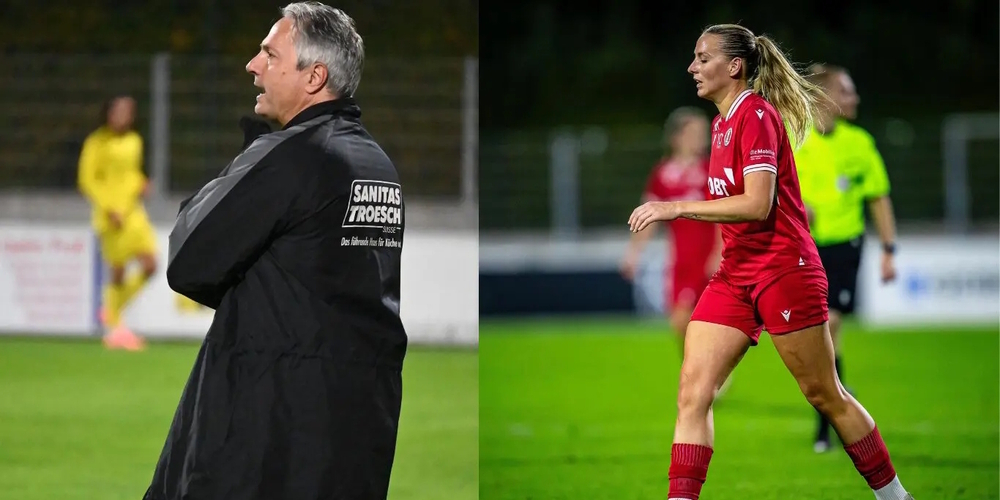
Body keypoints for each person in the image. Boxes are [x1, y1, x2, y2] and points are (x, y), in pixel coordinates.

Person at [628, 24, 912, 500]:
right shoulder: (721, 125)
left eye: (703, 58)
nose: (692, 67)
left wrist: (676, 207)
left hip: (784, 270)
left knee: (825, 394)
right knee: (693, 393)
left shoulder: (756, 115)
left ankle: (896, 497)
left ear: (734, 66)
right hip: (736, 274)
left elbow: (757, 204)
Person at [143, 3, 408, 499]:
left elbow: (190, 259)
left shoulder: (293, 154)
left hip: (269, 426)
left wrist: (249, 158)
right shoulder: (378, 164)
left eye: (270, 54)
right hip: (357, 425)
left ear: (314, 76)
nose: (253, 65)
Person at [795, 63, 899, 454]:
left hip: (844, 248)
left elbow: (879, 197)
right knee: (814, 337)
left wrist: (888, 250)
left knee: (829, 324)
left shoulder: (860, 143)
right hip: (803, 248)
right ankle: (836, 400)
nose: (854, 98)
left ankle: (826, 424)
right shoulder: (794, 137)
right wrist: (796, 206)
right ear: (825, 98)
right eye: (846, 91)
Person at [620, 108, 726, 386]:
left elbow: (722, 214)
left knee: (709, 322)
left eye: (702, 133)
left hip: (708, 258)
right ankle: (701, 371)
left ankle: (708, 375)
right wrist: (634, 254)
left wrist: (719, 252)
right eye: (693, 133)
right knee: (679, 322)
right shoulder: (662, 173)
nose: (700, 138)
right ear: (676, 137)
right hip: (681, 260)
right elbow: (648, 217)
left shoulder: (710, 169)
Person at [77, 94, 157, 351]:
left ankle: (112, 311)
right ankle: (115, 328)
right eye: (120, 111)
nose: (125, 116)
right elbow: (87, 180)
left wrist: (141, 182)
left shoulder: (135, 141)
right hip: (111, 216)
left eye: (129, 112)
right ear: (109, 114)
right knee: (119, 271)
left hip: (133, 213)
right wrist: (108, 207)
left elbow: (131, 173)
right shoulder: (96, 142)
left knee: (151, 265)